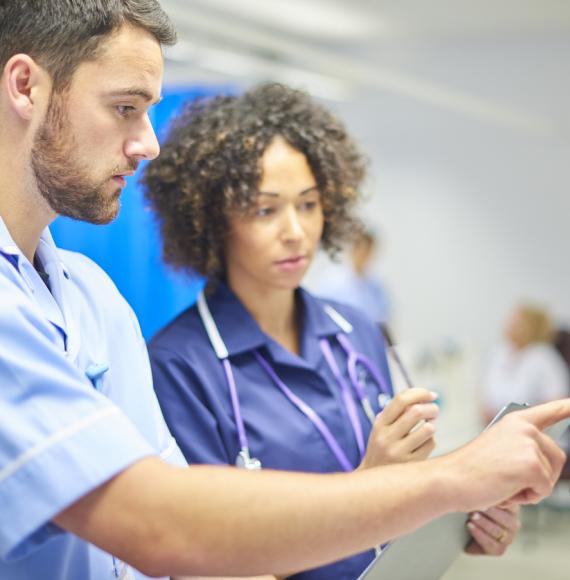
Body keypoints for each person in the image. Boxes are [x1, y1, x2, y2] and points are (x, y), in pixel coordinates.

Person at [0, 2, 569, 580]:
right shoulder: (173, 360)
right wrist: (448, 480)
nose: (150, 144)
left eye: (308, 205)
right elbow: (163, 526)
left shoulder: (95, 297)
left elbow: (198, 553)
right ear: (26, 86)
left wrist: (440, 514)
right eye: (125, 107)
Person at [141, 84, 529, 577]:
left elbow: (401, 500)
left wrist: (460, 514)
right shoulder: (178, 366)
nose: (296, 231)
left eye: (307, 204)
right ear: (212, 221)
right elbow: (209, 561)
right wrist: (371, 484)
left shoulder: (358, 332)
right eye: (265, 209)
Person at [481, 304, 570, 425]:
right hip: (498, 428)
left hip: (533, 430)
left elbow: (557, 402)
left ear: (531, 327)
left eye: (517, 322)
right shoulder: (500, 353)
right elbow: (487, 397)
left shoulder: (544, 357)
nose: (509, 326)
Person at [315, 228, 391, 324]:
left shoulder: (376, 285)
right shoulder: (333, 282)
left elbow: (382, 316)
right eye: (360, 249)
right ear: (352, 250)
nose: (364, 255)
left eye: (368, 250)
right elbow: (324, 314)